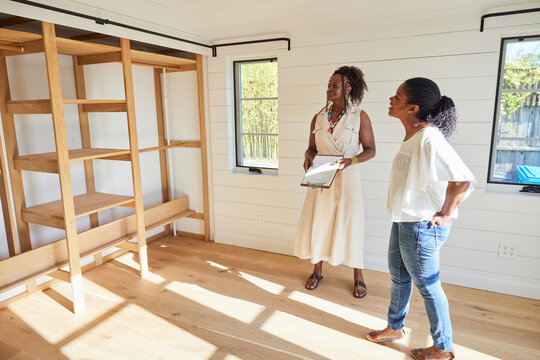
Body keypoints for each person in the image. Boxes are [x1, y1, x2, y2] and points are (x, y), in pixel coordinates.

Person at [365, 78, 476, 360]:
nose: (391, 98)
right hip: (404, 220)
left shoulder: (429, 137)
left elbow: (462, 180)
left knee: (428, 286)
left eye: (398, 97)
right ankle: (395, 328)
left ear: (412, 108)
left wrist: (445, 214)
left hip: (421, 226)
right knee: (400, 277)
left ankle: (443, 347)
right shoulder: (416, 135)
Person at [294, 66, 375, 298]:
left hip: (348, 178)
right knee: (319, 221)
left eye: (335, 86)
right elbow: (311, 148)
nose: (330, 89)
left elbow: (371, 150)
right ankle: (317, 270)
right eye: (329, 85)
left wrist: (350, 161)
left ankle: (358, 275)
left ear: (348, 88)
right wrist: (308, 157)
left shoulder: (360, 117)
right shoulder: (318, 118)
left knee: (350, 223)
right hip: (320, 177)